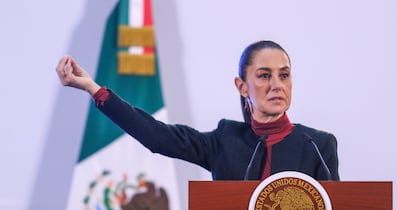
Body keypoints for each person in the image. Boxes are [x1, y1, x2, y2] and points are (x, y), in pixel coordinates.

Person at [56, 40, 340, 181]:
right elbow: (157, 137)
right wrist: (94, 89)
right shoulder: (224, 140)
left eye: (284, 75)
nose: (277, 85)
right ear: (242, 87)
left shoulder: (317, 144)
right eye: (264, 76)